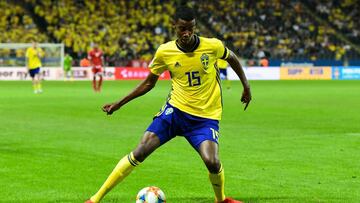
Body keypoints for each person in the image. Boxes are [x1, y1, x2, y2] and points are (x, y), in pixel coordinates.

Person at [85, 6, 251, 203]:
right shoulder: (165, 52)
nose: (187, 33)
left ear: (195, 26)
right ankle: (95, 199)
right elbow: (148, 83)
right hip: (175, 112)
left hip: (205, 118)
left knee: (212, 161)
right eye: (182, 29)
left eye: (190, 28)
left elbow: (232, 58)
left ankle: (221, 199)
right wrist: (119, 103)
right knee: (140, 151)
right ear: (174, 27)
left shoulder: (212, 46)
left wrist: (246, 86)